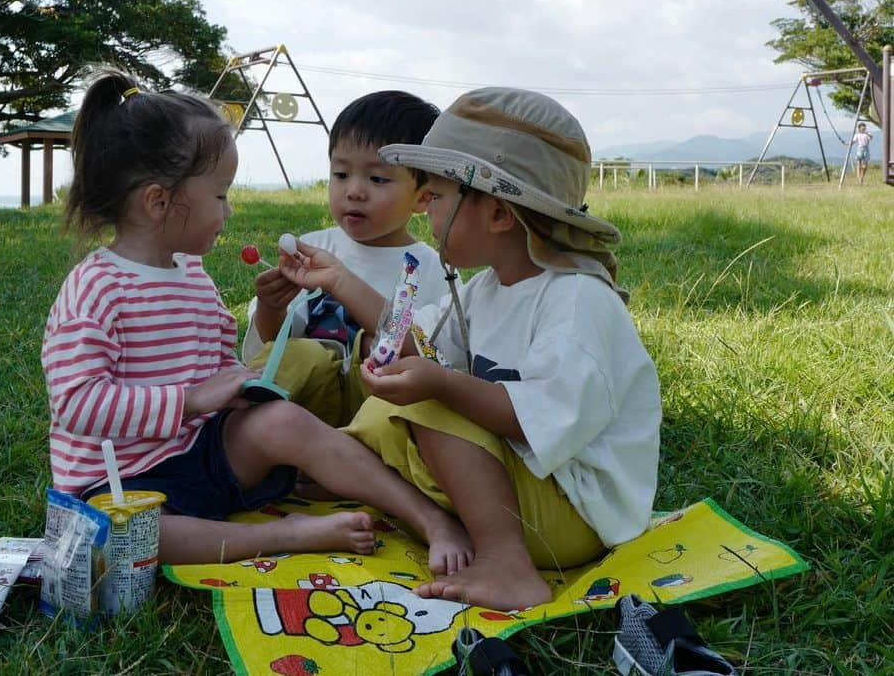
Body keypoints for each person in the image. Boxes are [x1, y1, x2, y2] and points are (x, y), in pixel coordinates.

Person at [41, 69, 471, 574]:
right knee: (116, 532)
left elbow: (218, 363)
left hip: (200, 453)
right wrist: (192, 401)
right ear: (159, 202)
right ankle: (280, 534)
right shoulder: (97, 286)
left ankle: (427, 518)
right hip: (120, 484)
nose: (228, 210)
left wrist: (240, 390)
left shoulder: (192, 274)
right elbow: (77, 403)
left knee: (282, 421)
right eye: (220, 195)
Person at [277, 88, 662, 611]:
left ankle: (508, 563)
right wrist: (340, 281)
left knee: (434, 402)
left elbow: (535, 419)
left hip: (574, 511)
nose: (426, 209)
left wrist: (439, 383)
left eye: (434, 196)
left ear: (499, 214)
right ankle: (377, 491)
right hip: (523, 487)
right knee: (389, 407)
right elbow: (415, 342)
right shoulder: (487, 288)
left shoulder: (575, 301)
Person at [243, 91, 453, 427]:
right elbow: (271, 348)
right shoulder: (311, 250)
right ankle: (241, 435)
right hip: (304, 410)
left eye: (377, 178)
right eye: (341, 174)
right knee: (301, 353)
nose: (354, 190)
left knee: (377, 350)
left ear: (423, 198)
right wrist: (271, 307)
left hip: (377, 412)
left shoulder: (431, 270)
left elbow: (438, 357)